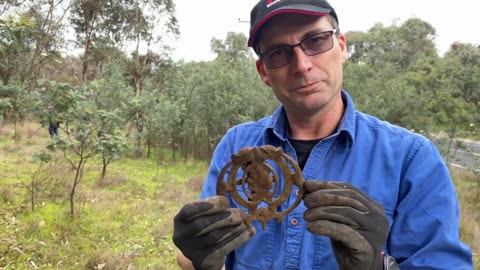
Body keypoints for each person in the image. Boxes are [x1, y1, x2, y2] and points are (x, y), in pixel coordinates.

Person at [172, 0, 474, 269]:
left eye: (315, 41)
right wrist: (195, 257)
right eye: (279, 52)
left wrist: (378, 266)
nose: (302, 65)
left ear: (341, 46)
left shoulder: (411, 158)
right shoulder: (236, 145)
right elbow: (199, 258)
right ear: (264, 72)